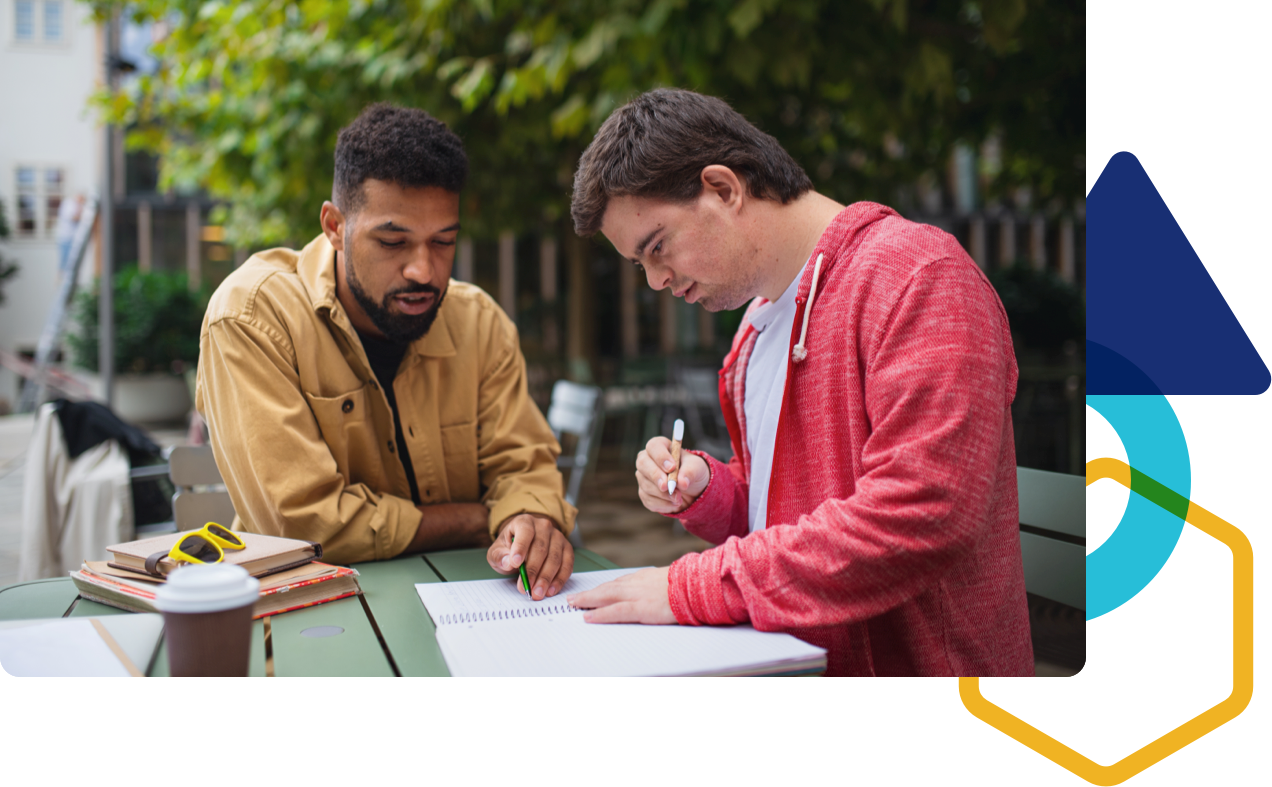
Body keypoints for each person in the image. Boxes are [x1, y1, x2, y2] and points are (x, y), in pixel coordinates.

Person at [567, 88, 1033, 676]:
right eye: (640, 265)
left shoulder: (919, 277)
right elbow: (780, 516)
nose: (655, 280)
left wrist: (694, 588)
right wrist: (708, 489)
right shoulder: (755, 334)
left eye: (657, 247)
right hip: (799, 673)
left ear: (723, 188)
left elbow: (924, 514)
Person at [196, 104, 575, 598]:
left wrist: (530, 516)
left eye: (443, 242)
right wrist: (477, 519)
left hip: (478, 605)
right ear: (335, 226)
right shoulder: (251, 317)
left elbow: (525, 467)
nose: (423, 270)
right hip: (309, 617)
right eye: (393, 241)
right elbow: (299, 523)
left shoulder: (479, 322)